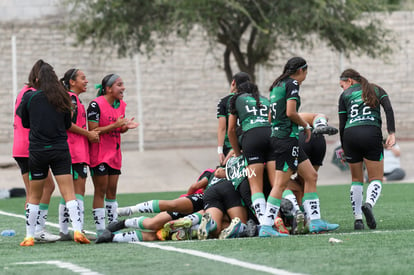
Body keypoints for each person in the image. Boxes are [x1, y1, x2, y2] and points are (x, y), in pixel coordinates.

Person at [262, 56, 338, 237]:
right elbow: (290, 112)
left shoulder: (277, 85)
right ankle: (266, 226)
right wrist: (305, 125)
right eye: (306, 72)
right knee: (280, 184)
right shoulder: (292, 84)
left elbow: (271, 118)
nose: (306, 76)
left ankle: (316, 221)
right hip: (287, 139)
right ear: (301, 71)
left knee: (311, 176)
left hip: (284, 138)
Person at [17, 61, 90, 246]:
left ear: (38, 79)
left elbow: (25, 122)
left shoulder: (30, 98)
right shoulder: (63, 97)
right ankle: (78, 232)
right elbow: (67, 124)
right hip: (60, 150)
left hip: (38, 151)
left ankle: (29, 236)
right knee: (68, 193)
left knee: (34, 195)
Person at [338, 68, 396, 230]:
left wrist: (344, 147)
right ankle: (368, 204)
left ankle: (358, 220)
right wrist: (391, 133)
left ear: (349, 81)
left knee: (356, 179)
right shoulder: (377, 89)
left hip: (350, 135)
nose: (342, 88)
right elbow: (389, 110)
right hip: (371, 133)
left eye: (341, 85)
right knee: (376, 178)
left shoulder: (345, 95)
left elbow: (342, 123)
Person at [12, 59, 61, 243]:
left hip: (24, 147)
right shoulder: (33, 94)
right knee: (36, 190)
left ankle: (36, 230)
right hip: (28, 148)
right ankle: (34, 231)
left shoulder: (25, 92)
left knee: (44, 188)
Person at [228, 81, 284, 237]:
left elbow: (231, 130)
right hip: (271, 135)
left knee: (256, 187)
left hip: (252, 137)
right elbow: (274, 119)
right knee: (276, 184)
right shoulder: (265, 99)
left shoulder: (236, 99)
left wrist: (238, 152)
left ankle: (265, 225)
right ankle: (283, 218)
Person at [87, 74, 138, 236]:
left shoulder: (121, 105)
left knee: (112, 191)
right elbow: (93, 130)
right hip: (99, 153)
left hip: (115, 153)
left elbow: (117, 128)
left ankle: (112, 225)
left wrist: (124, 127)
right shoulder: (95, 105)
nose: (123, 88)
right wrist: (115, 125)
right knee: (100, 190)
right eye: (119, 85)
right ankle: (100, 229)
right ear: (108, 89)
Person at [58, 68, 100, 240]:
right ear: (72, 82)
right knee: (78, 190)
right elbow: (68, 124)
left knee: (68, 193)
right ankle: (77, 229)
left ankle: (65, 231)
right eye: (83, 78)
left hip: (76, 150)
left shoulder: (75, 99)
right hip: (74, 151)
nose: (86, 81)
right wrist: (88, 134)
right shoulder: (71, 99)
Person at [217, 72, 251, 166]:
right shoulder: (254, 99)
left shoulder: (224, 101)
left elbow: (222, 128)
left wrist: (220, 150)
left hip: (230, 145)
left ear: (233, 82)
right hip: (249, 143)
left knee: (227, 173)